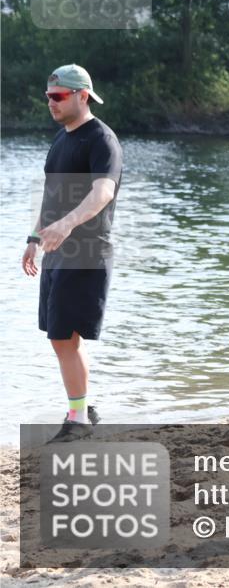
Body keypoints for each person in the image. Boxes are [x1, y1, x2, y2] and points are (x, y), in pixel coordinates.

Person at [21, 65, 122, 443]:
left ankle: (78, 419)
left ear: (83, 95)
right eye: (48, 96)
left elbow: (103, 192)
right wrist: (34, 238)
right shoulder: (61, 140)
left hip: (87, 252)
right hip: (56, 251)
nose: (51, 102)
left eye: (58, 96)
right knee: (59, 337)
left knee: (66, 336)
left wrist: (66, 225)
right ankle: (82, 408)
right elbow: (52, 197)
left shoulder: (102, 140)